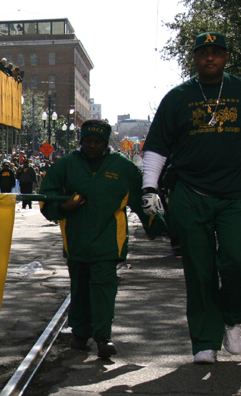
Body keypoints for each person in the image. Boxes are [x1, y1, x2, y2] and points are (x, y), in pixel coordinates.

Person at [141, 31, 241, 364]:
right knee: (198, 271)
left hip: (237, 194)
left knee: (237, 260)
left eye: (216, 52)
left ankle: (232, 320)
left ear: (226, 57)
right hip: (190, 192)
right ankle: (204, 340)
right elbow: (157, 145)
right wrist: (149, 187)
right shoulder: (178, 98)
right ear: (195, 58)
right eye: (204, 53)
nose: (210, 57)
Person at [40, 119, 165, 358]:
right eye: (88, 141)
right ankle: (79, 333)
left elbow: (141, 199)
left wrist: (155, 227)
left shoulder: (123, 167)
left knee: (104, 289)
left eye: (98, 141)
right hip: (76, 241)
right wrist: (65, 206)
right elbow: (47, 197)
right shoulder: (65, 165)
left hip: (109, 242)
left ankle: (103, 336)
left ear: (106, 142)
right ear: (81, 141)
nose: (93, 146)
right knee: (79, 288)